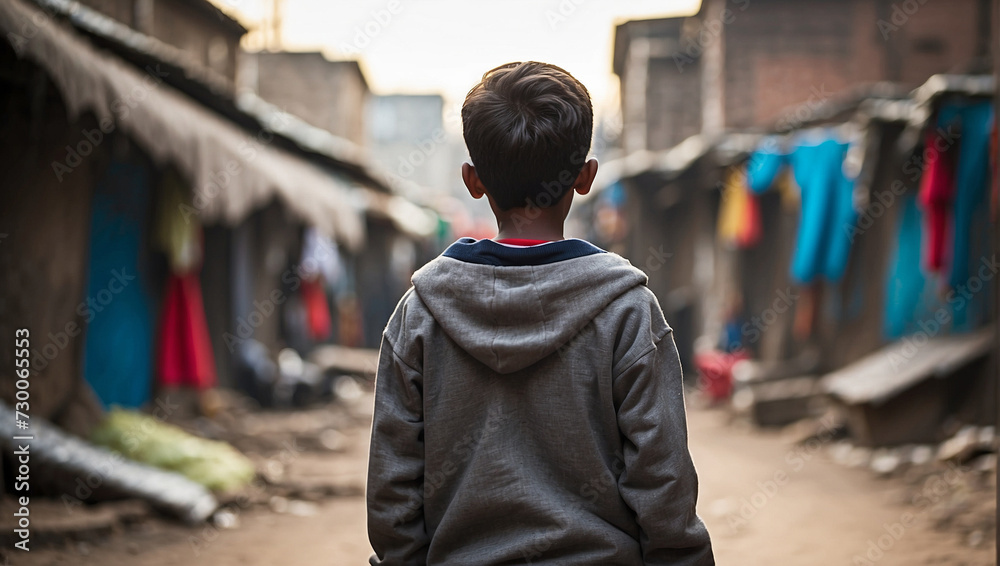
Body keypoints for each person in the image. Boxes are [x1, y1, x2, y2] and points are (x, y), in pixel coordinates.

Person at [367, 61, 714, 565]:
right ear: (586, 176)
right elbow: (663, 487)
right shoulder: (628, 311)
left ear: (473, 181)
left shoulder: (418, 314)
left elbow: (392, 494)